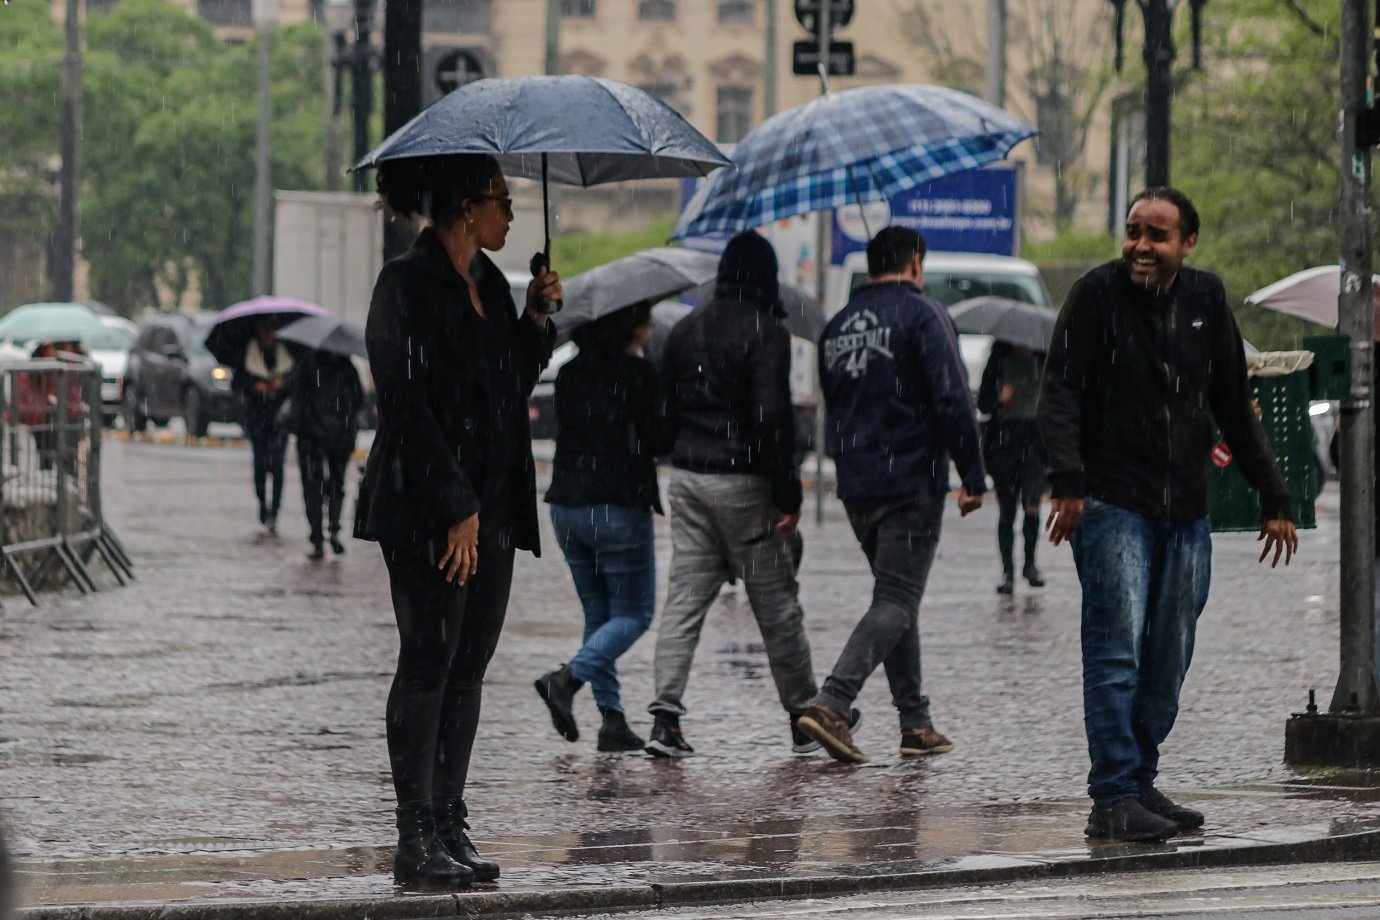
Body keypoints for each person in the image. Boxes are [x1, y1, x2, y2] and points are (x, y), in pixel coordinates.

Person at [1038, 187, 1298, 842]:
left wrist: (1275, 495)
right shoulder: (1097, 295)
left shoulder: (1207, 301)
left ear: (1188, 243)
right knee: (1117, 648)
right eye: (1133, 232)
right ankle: (1113, 794)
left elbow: (1235, 404)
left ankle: (1140, 778)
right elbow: (1060, 389)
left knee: (1169, 653)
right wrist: (1068, 481)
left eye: (1157, 235)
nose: (1141, 247)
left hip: (1185, 508)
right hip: (1109, 502)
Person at [354, 153, 560, 886]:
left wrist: (536, 319)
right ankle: (415, 835)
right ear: (467, 208)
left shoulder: (492, 287)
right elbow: (404, 404)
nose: (511, 213)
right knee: (427, 663)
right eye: (504, 201)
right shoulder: (405, 284)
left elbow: (506, 390)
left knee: (468, 668)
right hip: (425, 509)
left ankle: (448, 820)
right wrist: (454, 508)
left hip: (495, 505)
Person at [795, 226, 985, 765]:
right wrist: (972, 474)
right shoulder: (924, 315)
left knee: (895, 599)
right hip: (910, 479)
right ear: (915, 262)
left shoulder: (835, 328)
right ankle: (833, 702)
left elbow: (832, 406)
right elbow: (952, 398)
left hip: (857, 485)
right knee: (898, 599)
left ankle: (915, 722)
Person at [645, 230, 822, 758]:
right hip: (743, 483)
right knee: (776, 603)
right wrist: (786, 492)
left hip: (689, 477)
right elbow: (770, 418)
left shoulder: (683, 329)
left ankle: (664, 717)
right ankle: (803, 715)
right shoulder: (766, 331)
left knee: (684, 598)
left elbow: (663, 414)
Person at [534, 301, 674, 753]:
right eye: (645, 318)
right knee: (634, 615)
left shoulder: (571, 373)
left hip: (567, 507)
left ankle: (613, 721)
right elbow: (660, 440)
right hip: (616, 506)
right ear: (629, 325)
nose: (650, 326)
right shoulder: (638, 374)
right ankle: (567, 679)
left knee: (599, 617)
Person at [977, 341, 1048, 594]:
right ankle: (1007, 572)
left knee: (1032, 504)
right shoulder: (999, 358)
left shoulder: (1044, 358)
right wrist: (999, 399)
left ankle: (1030, 563)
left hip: (1035, 444)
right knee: (1007, 510)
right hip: (1003, 445)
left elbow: (1058, 400)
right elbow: (983, 404)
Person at [290, 349, 363, 560]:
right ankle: (333, 529)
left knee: (312, 486)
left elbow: (296, 396)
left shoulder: (305, 364)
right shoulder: (347, 366)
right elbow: (357, 400)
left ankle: (317, 536)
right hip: (340, 435)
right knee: (336, 485)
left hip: (312, 436)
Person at [234, 317, 292, 533]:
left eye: (272, 327)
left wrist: (282, 384)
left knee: (277, 466)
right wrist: (255, 386)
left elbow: (297, 383)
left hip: (280, 421)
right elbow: (237, 383)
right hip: (257, 419)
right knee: (260, 465)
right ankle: (262, 504)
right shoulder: (248, 354)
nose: (268, 332)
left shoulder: (286, 355)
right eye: (264, 327)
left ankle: (274, 511)